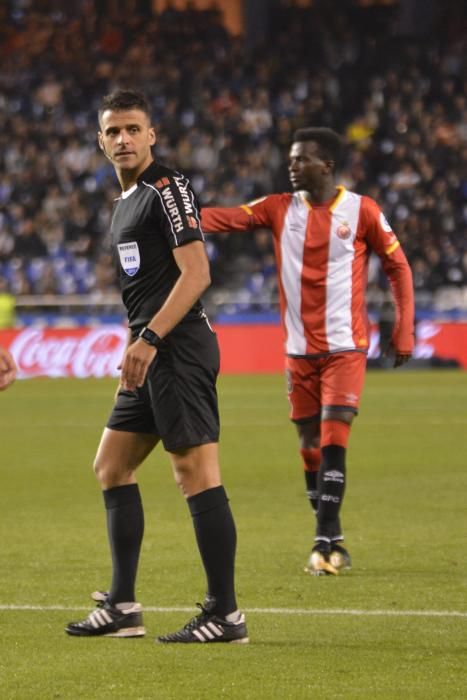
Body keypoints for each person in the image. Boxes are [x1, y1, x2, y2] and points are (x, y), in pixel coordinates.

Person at [65, 89, 248, 643]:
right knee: (111, 466)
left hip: (176, 346)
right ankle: (123, 606)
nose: (122, 139)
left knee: (195, 474)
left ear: (152, 135)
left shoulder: (166, 188)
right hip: (147, 351)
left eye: (132, 129)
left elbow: (196, 275)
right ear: (100, 141)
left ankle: (226, 614)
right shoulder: (123, 201)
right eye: (113, 131)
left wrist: (147, 336)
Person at [201, 127, 414, 575]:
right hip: (298, 352)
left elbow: (398, 267)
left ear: (327, 166)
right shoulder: (280, 208)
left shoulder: (362, 211)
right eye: (291, 159)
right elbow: (226, 218)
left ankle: (322, 541)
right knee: (308, 444)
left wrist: (404, 329)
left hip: (345, 347)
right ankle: (333, 537)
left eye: (301, 159)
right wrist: (173, 214)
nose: (292, 166)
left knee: (335, 438)